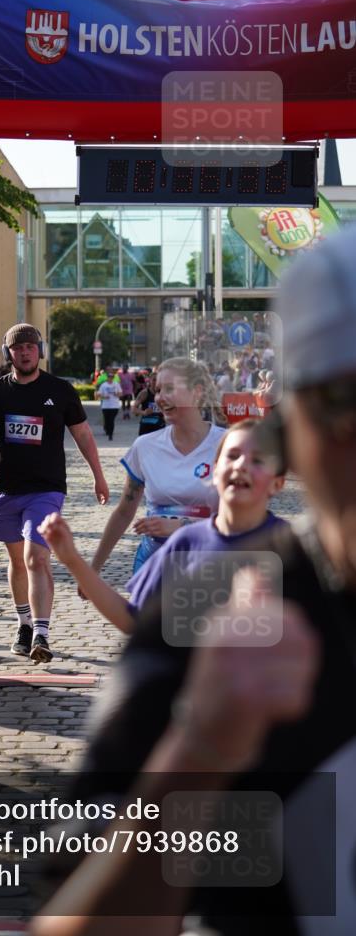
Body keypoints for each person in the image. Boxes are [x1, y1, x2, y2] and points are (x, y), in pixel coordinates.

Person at [33, 225, 356, 936]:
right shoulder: (217, 614)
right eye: (345, 406)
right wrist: (198, 751)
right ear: (294, 430)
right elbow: (80, 920)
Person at [40, 418, 287, 634]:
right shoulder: (186, 542)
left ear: (278, 483)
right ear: (214, 470)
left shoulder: (293, 547)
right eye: (232, 456)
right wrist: (73, 560)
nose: (241, 465)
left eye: (257, 460)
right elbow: (134, 620)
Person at [0, 323, 109, 663]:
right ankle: (22, 623)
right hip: (5, 487)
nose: (25, 352)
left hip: (47, 489)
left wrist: (99, 475)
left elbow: (83, 435)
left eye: (31, 347)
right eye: (18, 348)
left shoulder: (60, 390)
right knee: (17, 561)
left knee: (36, 558)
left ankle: (41, 632)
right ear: (9, 354)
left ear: (40, 351)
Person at [90, 357, 225, 579]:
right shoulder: (145, 447)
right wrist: (93, 569)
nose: (160, 397)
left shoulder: (228, 445)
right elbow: (124, 511)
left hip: (212, 568)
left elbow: (245, 520)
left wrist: (181, 527)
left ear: (196, 391)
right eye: (158, 389)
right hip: (154, 567)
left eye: (170, 388)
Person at [132, 370, 165, 436]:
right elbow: (134, 409)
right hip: (147, 425)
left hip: (159, 425)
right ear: (149, 381)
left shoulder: (163, 394)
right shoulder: (145, 393)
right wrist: (144, 412)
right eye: (154, 380)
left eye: (158, 380)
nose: (156, 382)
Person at [96, 366, 122, 441]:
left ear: (113, 377)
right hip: (106, 406)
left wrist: (116, 394)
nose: (110, 378)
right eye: (109, 377)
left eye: (112, 377)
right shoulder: (104, 385)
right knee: (107, 420)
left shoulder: (116, 384)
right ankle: (107, 430)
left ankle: (110, 434)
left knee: (111, 420)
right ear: (107, 377)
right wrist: (104, 396)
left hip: (114, 406)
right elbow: (98, 394)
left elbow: (120, 393)